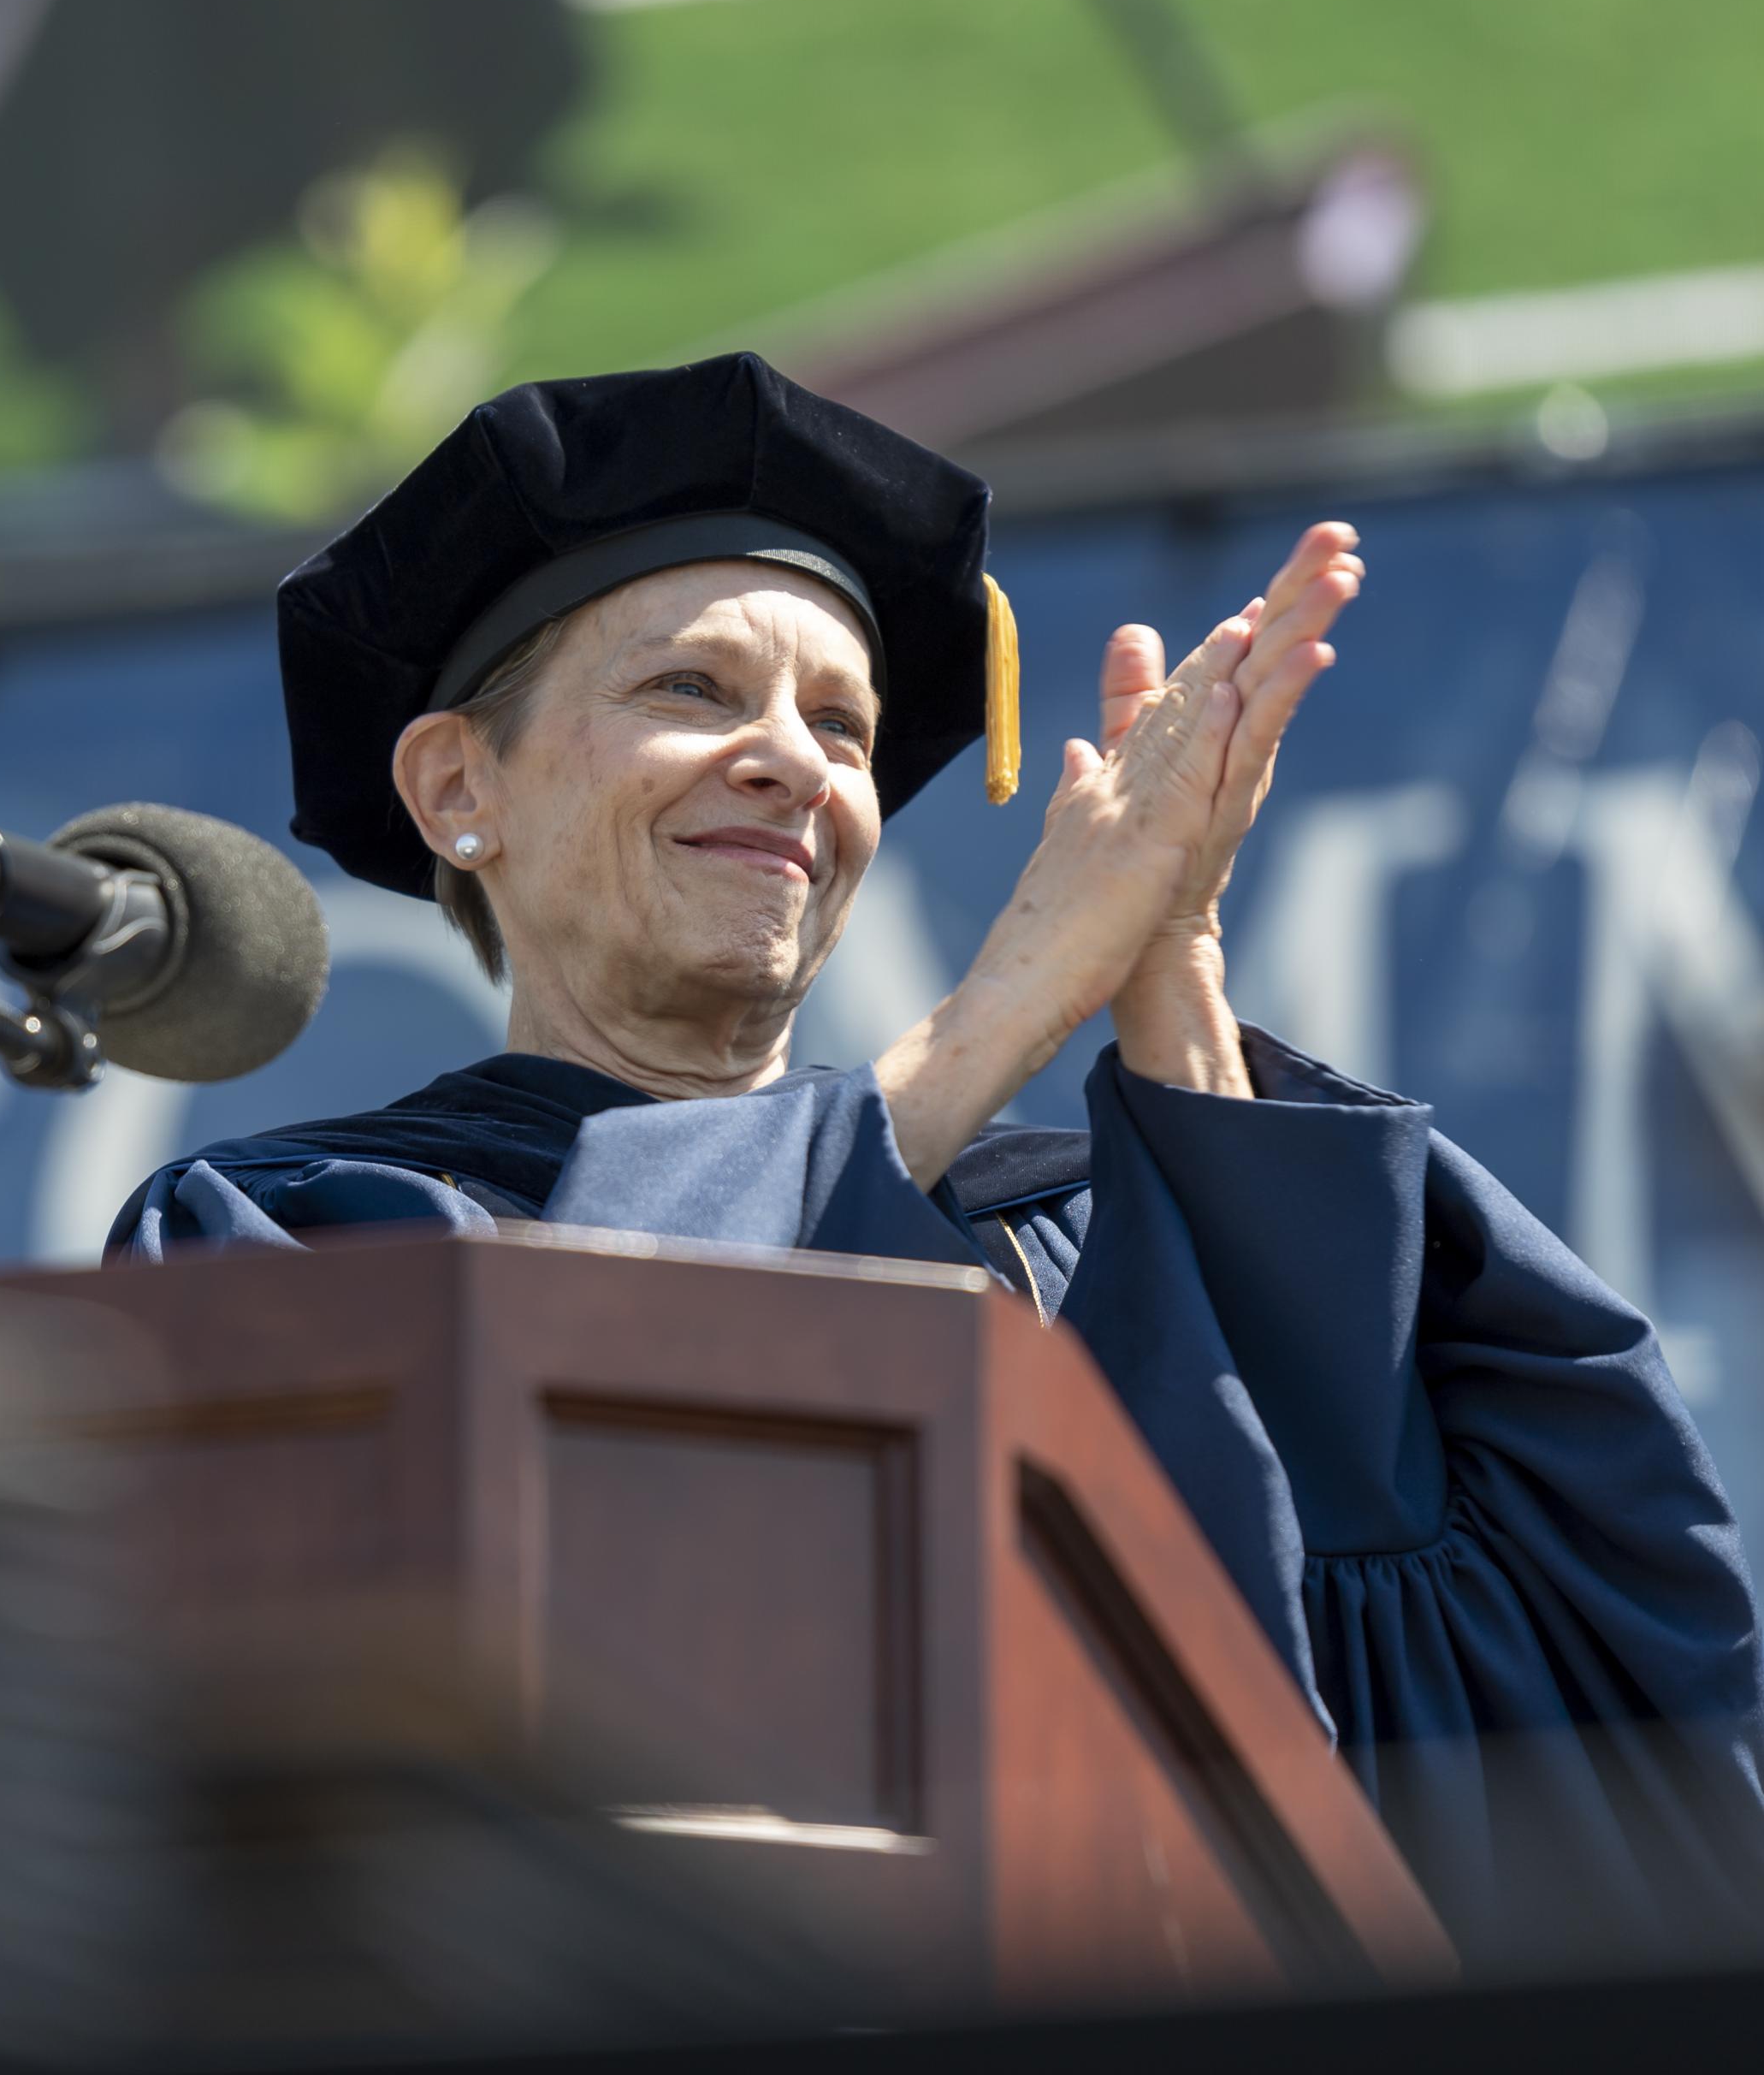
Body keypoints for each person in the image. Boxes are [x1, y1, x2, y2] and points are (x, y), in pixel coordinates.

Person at [112, 352, 1764, 1963]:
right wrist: (1013, 998)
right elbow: (466, 1681)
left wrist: (1167, 967)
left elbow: (1401, 1656)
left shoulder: (1047, 1229)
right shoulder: (308, 1243)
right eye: (691, 688)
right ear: (457, 782)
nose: (795, 762)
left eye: (841, 724)